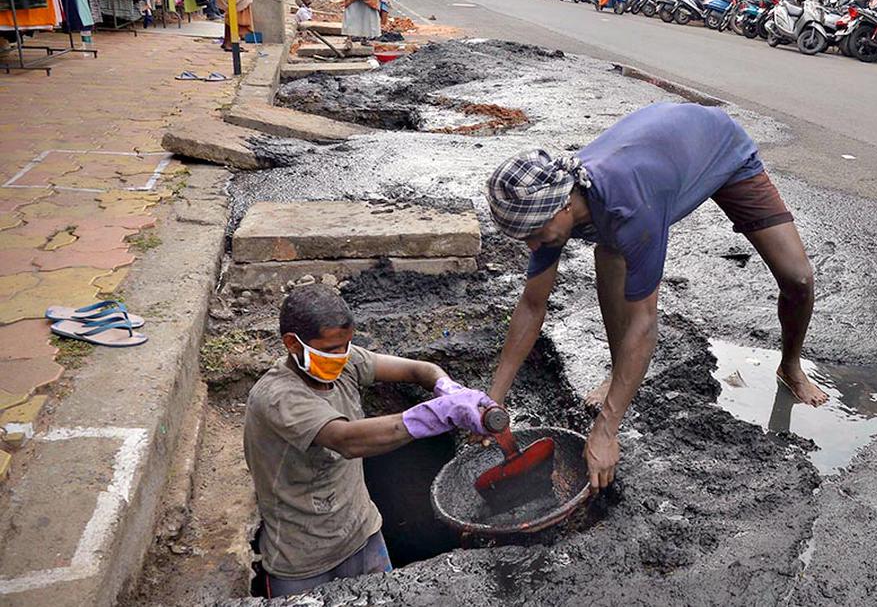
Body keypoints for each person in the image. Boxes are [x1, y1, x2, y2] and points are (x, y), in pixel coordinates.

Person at [484, 103, 827, 494]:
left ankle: (790, 366)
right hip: (657, 163)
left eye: (536, 232)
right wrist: (493, 400)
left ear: (563, 204)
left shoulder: (630, 208)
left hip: (721, 150)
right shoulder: (549, 210)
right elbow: (532, 304)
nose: (532, 243)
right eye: (524, 235)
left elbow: (645, 325)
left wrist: (606, 430)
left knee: (797, 277)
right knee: (610, 251)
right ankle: (617, 371)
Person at [244, 284, 495, 598]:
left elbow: (420, 370)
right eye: (331, 349)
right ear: (293, 344)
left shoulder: (345, 363)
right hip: (303, 562)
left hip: (364, 535)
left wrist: (449, 390)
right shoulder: (277, 397)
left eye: (347, 345)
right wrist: (434, 415)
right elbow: (346, 440)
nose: (341, 356)